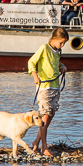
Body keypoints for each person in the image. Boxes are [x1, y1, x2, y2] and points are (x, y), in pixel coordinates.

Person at [28, 27, 69, 157]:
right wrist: (35, 76)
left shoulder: (56, 51)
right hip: (44, 87)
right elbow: (31, 62)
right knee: (44, 117)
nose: (62, 45)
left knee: (50, 115)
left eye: (64, 43)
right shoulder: (44, 48)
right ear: (54, 39)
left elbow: (54, 62)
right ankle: (44, 147)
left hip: (55, 87)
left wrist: (61, 66)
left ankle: (36, 141)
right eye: (61, 42)